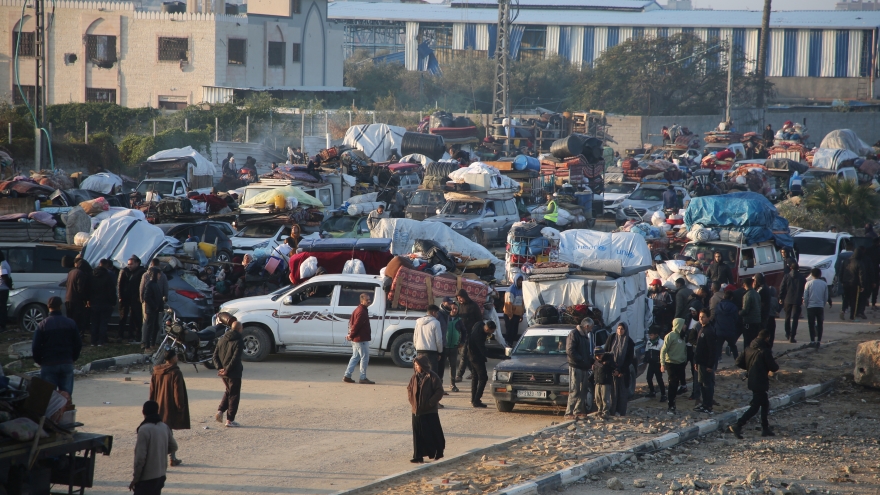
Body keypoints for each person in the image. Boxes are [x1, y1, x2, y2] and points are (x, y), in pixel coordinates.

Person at [729, 331, 779, 439]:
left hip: (752, 380)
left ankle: (765, 428)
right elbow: (774, 367)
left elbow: (738, 362)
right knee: (755, 407)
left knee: (765, 403)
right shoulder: (765, 351)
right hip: (760, 381)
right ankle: (738, 425)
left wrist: (749, 368)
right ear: (767, 338)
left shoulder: (748, 348)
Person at [32, 296, 81, 395]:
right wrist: (72, 358)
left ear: (48, 307)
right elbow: (78, 344)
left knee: (49, 398)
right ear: (60, 306)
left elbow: (35, 347)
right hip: (66, 362)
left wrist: (40, 361)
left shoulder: (42, 325)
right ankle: (65, 410)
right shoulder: (70, 323)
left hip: (48, 364)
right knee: (66, 398)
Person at [149, 350, 189, 467]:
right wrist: (180, 406)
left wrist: (151, 404)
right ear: (172, 358)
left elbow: (152, 389)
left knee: (164, 432)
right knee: (167, 432)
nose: (177, 357)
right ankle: (170, 458)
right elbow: (178, 391)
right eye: (176, 356)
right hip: (169, 406)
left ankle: (172, 458)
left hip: (158, 406)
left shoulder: (156, 371)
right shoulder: (175, 373)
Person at [131, 400, 177, 495]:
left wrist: (135, 479)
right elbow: (174, 447)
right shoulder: (164, 427)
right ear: (157, 411)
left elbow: (140, 459)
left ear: (143, 412)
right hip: (160, 475)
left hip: (147, 478)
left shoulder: (144, 430)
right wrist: (159, 452)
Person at [407, 355, 445, 463]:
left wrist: (430, 403)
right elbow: (409, 389)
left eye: (417, 365)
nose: (416, 367)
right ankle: (417, 456)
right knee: (417, 433)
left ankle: (438, 452)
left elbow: (439, 391)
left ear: (422, 365)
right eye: (415, 365)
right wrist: (412, 401)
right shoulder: (414, 377)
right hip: (416, 410)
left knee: (433, 432)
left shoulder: (432, 376)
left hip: (429, 410)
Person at [213, 321, 244, 427]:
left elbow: (215, 356)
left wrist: (220, 368)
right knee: (234, 395)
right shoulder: (239, 340)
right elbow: (235, 358)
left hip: (224, 373)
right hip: (233, 372)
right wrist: (227, 369)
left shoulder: (222, 339)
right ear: (240, 329)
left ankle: (220, 411)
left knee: (229, 391)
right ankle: (230, 420)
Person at [564, 318, 595, 420]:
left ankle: (578, 411)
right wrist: (581, 360)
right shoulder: (574, 334)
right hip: (576, 367)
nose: (591, 329)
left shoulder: (585, 336)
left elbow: (586, 353)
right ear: (586, 326)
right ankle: (569, 412)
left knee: (583, 390)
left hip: (584, 367)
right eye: (591, 327)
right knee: (575, 390)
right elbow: (570, 350)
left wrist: (592, 361)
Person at [343, 293, 374, 384]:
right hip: (361, 339)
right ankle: (362, 377)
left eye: (369, 299)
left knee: (355, 357)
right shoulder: (361, 312)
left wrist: (350, 335)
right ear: (362, 301)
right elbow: (356, 326)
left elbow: (351, 323)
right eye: (367, 300)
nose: (369, 301)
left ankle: (347, 375)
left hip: (357, 339)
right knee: (364, 358)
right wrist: (351, 335)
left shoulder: (359, 310)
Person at [605, 322, 635, 416]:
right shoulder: (612, 338)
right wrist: (612, 368)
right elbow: (607, 352)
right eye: (618, 328)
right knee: (612, 392)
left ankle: (620, 411)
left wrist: (620, 370)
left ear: (625, 330)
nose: (620, 331)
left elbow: (629, 359)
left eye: (622, 329)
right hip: (612, 370)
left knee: (621, 392)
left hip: (623, 371)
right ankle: (611, 411)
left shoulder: (629, 342)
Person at [454, 290, 482, 383]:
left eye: (460, 297)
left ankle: (459, 375)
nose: (459, 300)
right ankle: (474, 372)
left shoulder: (473, 306)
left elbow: (479, 320)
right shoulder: (458, 306)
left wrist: (477, 333)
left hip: (471, 333)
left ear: (465, 296)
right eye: (458, 298)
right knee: (468, 355)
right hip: (461, 333)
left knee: (464, 355)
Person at [693, 308, 718, 414]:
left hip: (706, 363)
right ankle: (704, 404)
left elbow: (712, 350)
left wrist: (710, 365)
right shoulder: (702, 329)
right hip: (701, 362)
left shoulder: (709, 331)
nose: (701, 319)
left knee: (707, 385)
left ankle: (708, 406)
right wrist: (696, 362)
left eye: (703, 317)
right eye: (700, 317)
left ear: (708, 317)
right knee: (702, 384)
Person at [659, 318, 686, 415]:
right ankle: (670, 406)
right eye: (683, 324)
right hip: (671, 363)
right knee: (672, 385)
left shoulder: (682, 336)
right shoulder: (670, 336)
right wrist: (662, 364)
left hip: (681, 363)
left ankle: (674, 403)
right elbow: (663, 350)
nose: (685, 326)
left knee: (679, 385)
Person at [119, 255, 147, 343]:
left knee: (135, 318)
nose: (129, 266)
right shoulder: (125, 271)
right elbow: (120, 284)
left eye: (131, 264)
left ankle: (134, 335)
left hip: (135, 298)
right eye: (128, 264)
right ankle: (121, 335)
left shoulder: (141, 272)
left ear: (137, 263)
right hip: (125, 298)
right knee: (123, 317)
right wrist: (120, 296)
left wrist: (140, 297)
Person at [467, 320, 494, 408]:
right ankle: (476, 400)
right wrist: (501, 356)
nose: (492, 334)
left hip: (470, 355)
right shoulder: (478, 336)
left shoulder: (479, 324)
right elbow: (484, 352)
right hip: (476, 357)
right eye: (491, 331)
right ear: (487, 329)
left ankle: (473, 399)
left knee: (475, 377)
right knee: (483, 378)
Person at [90, 259, 117, 346]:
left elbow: (88, 288)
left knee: (94, 322)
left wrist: (89, 300)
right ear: (106, 265)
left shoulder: (92, 274)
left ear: (99, 264)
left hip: (94, 302)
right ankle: (101, 341)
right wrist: (113, 302)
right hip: (106, 302)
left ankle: (93, 341)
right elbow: (111, 291)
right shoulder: (108, 275)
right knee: (103, 323)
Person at [438, 304, 465, 392]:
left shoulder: (459, 320)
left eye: (456, 309)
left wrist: (461, 342)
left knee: (453, 366)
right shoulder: (445, 318)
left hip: (454, 347)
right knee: (441, 367)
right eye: (452, 308)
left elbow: (464, 332)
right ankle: (439, 386)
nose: (454, 310)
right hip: (444, 347)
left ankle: (453, 385)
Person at [66, 256, 92, 340]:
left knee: (70, 320)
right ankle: (78, 338)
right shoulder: (81, 274)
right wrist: (86, 300)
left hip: (68, 299)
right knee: (79, 321)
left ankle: (69, 337)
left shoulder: (71, 272)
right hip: (77, 301)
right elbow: (80, 289)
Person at [779, 262, 806, 343]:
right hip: (797, 300)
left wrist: (781, 297)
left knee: (787, 317)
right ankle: (792, 336)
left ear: (791, 268)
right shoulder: (802, 277)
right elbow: (804, 289)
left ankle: (787, 333)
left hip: (787, 299)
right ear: (798, 268)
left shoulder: (787, 276)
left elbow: (782, 287)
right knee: (795, 318)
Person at [414, 305, 444, 377]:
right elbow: (439, 340)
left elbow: (415, 337)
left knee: (420, 372)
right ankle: (431, 388)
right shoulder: (436, 323)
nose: (437, 315)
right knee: (432, 374)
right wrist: (440, 352)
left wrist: (416, 348)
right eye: (437, 313)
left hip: (419, 351)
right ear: (433, 312)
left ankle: (421, 387)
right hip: (431, 352)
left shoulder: (418, 322)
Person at [803, 268, 829, 349]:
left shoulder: (808, 283)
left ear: (812, 275)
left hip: (811, 306)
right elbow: (826, 297)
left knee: (811, 324)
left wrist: (806, 305)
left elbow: (806, 296)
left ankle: (812, 340)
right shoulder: (824, 284)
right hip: (820, 306)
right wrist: (823, 304)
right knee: (820, 324)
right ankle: (818, 341)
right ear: (820, 274)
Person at [140, 267, 165, 353]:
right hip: (151, 310)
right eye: (158, 274)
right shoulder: (150, 284)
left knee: (156, 327)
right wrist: (155, 306)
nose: (159, 275)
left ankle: (153, 345)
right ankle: (147, 346)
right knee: (149, 327)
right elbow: (147, 297)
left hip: (156, 310)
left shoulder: (155, 284)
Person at [715, 287, 741, 362]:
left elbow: (715, 316)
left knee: (719, 345)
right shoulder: (734, 307)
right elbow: (736, 319)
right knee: (733, 345)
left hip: (719, 329)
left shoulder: (718, 306)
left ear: (724, 296)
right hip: (730, 330)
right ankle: (737, 359)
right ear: (731, 298)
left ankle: (718, 359)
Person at [643, 327, 666, 401]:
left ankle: (663, 394)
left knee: (659, 379)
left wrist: (662, 363)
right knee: (649, 378)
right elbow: (647, 351)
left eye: (652, 335)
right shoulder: (649, 342)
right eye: (650, 335)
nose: (650, 337)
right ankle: (652, 391)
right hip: (651, 364)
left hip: (658, 364)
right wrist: (646, 359)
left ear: (656, 335)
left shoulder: (661, 343)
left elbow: (663, 353)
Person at [739, 278, 762, 349]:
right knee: (755, 341)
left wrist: (738, 313)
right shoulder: (756, 293)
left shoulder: (747, 295)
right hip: (757, 321)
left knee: (747, 342)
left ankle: (747, 357)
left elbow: (745, 310)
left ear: (744, 285)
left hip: (749, 322)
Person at [593, 347, 614, 420]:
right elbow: (594, 372)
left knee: (605, 398)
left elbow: (611, 366)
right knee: (597, 398)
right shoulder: (596, 362)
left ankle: (606, 412)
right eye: (597, 355)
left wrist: (604, 363)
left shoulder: (608, 361)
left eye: (600, 355)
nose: (598, 357)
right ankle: (599, 410)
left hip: (605, 382)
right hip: (597, 382)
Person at [503, 274, 525, 344]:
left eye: (521, 280)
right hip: (510, 315)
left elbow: (521, 303)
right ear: (515, 280)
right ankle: (507, 347)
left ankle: (511, 346)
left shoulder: (521, 290)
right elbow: (508, 304)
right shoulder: (511, 290)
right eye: (519, 280)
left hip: (516, 315)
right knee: (510, 333)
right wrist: (510, 316)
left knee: (514, 332)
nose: (520, 282)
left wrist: (521, 314)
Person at [0, 251, 11, 332]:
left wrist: (9, 285)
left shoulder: (2, 265)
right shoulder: (5, 263)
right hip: (4, 289)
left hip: (2, 289)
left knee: (2, 308)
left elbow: (4, 276)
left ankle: (2, 326)